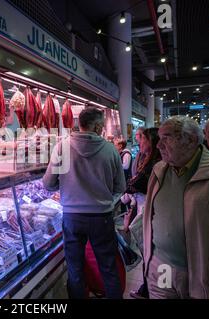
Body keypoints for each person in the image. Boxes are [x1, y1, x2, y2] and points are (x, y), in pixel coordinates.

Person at [143, 116, 209, 299]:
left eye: (166, 138)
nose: (158, 145)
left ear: (191, 140)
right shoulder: (159, 170)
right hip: (161, 267)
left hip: (202, 275)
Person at [43, 108, 126, 299]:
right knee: (108, 267)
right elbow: (120, 186)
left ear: (80, 123)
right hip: (102, 218)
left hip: (72, 218)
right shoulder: (110, 149)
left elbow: (48, 184)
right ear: (97, 126)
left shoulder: (62, 147)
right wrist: (105, 201)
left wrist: (65, 185)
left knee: (75, 267)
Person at [121, 128, 162, 299]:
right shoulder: (147, 158)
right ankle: (150, 288)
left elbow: (134, 184)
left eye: (142, 139)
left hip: (151, 212)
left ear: (150, 141)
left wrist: (126, 190)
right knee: (150, 253)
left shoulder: (155, 162)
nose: (140, 142)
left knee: (152, 253)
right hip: (146, 208)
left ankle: (153, 290)